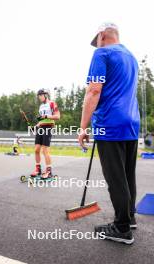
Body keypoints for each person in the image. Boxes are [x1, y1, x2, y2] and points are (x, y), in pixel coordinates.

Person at [79, 22, 140, 244]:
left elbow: (94, 90)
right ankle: (129, 217)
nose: (96, 46)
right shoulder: (131, 58)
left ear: (103, 35)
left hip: (110, 123)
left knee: (115, 178)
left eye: (97, 41)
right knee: (127, 174)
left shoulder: (102, 54)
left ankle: (122, 228)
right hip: (131, 123)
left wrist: (83, 126)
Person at [31, 89, 60, 179]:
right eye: (38, 96)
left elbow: (58, 116)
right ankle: (38, 169)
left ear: (45, 95)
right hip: (41, 127)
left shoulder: (52, 103)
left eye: (41, 95)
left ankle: (49, 171)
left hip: (48, 127)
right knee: (36, 149)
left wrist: (47, 116)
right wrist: (35, 126)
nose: (39, 97)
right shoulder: (40, 106)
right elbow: (41, 120)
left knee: (45, 150)